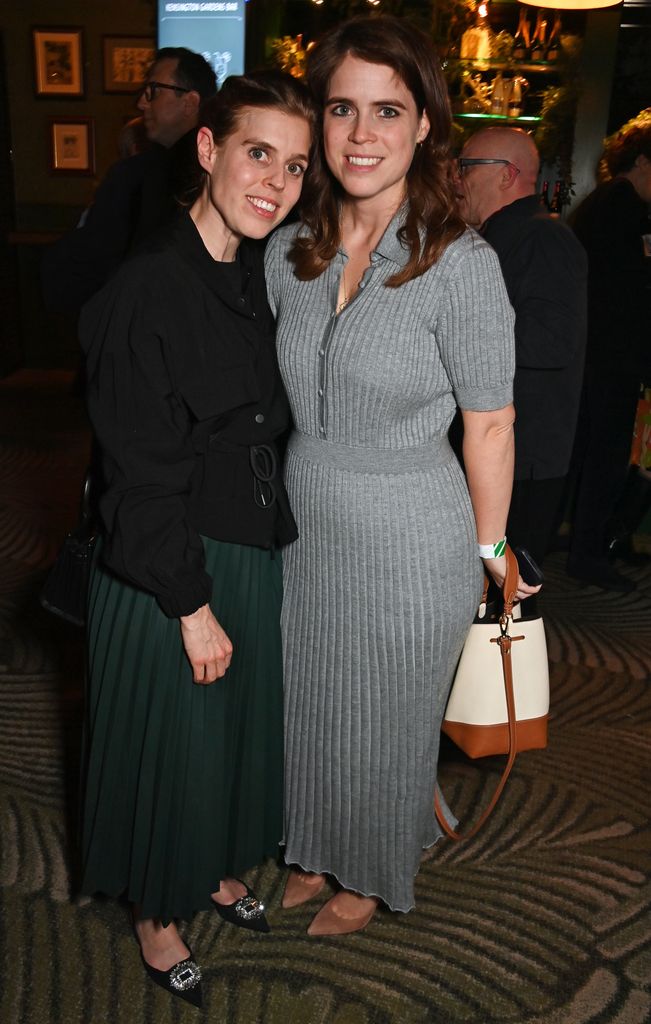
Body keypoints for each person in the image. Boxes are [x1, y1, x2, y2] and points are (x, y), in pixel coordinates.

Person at [264, 16, 539, 938]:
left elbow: (490, 422)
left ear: (425, 124)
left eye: (389, 109)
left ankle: (370, 875)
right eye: (342, 108)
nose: (361, 133)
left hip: (412, 531)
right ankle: (309, 846)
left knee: (385, 718)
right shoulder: (286, 252)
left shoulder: (459, 264)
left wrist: (490, 548)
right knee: (306, 702)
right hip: (304, 525)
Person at [78, 71, 316, 1007]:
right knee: (169, 746)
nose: (277, 182)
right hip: (169, 566)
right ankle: (155, 911)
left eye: (294, 166)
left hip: (247, 545)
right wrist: (189, 602)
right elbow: (137, 470)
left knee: (226, 736)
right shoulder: (150, 285)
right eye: (258, 153)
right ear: (210, 149)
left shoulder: (255, 275)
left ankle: (212, 865)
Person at [456, 126, 587, 574]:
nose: (457, 178)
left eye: (466, 166)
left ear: (507, 175)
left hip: (523, 459)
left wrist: (451, 334)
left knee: (506, 604)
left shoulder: (541, 238)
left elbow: (553, 341)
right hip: (504, 451)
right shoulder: (504, 236)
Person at [42, 48, 217, 313]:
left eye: (154, 91)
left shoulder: (138, 176)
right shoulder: (214, 173)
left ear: (190, 102)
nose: (142, 103)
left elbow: (84, 268)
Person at [567, 117, 651, 591]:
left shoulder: (604, 205)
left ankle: (581, 543)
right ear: (641, 162)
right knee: (605, 454)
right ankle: (588, 554)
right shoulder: (621, 209)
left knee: (589, 451)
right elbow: (627, 296)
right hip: (611, 355)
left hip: (595, 353)